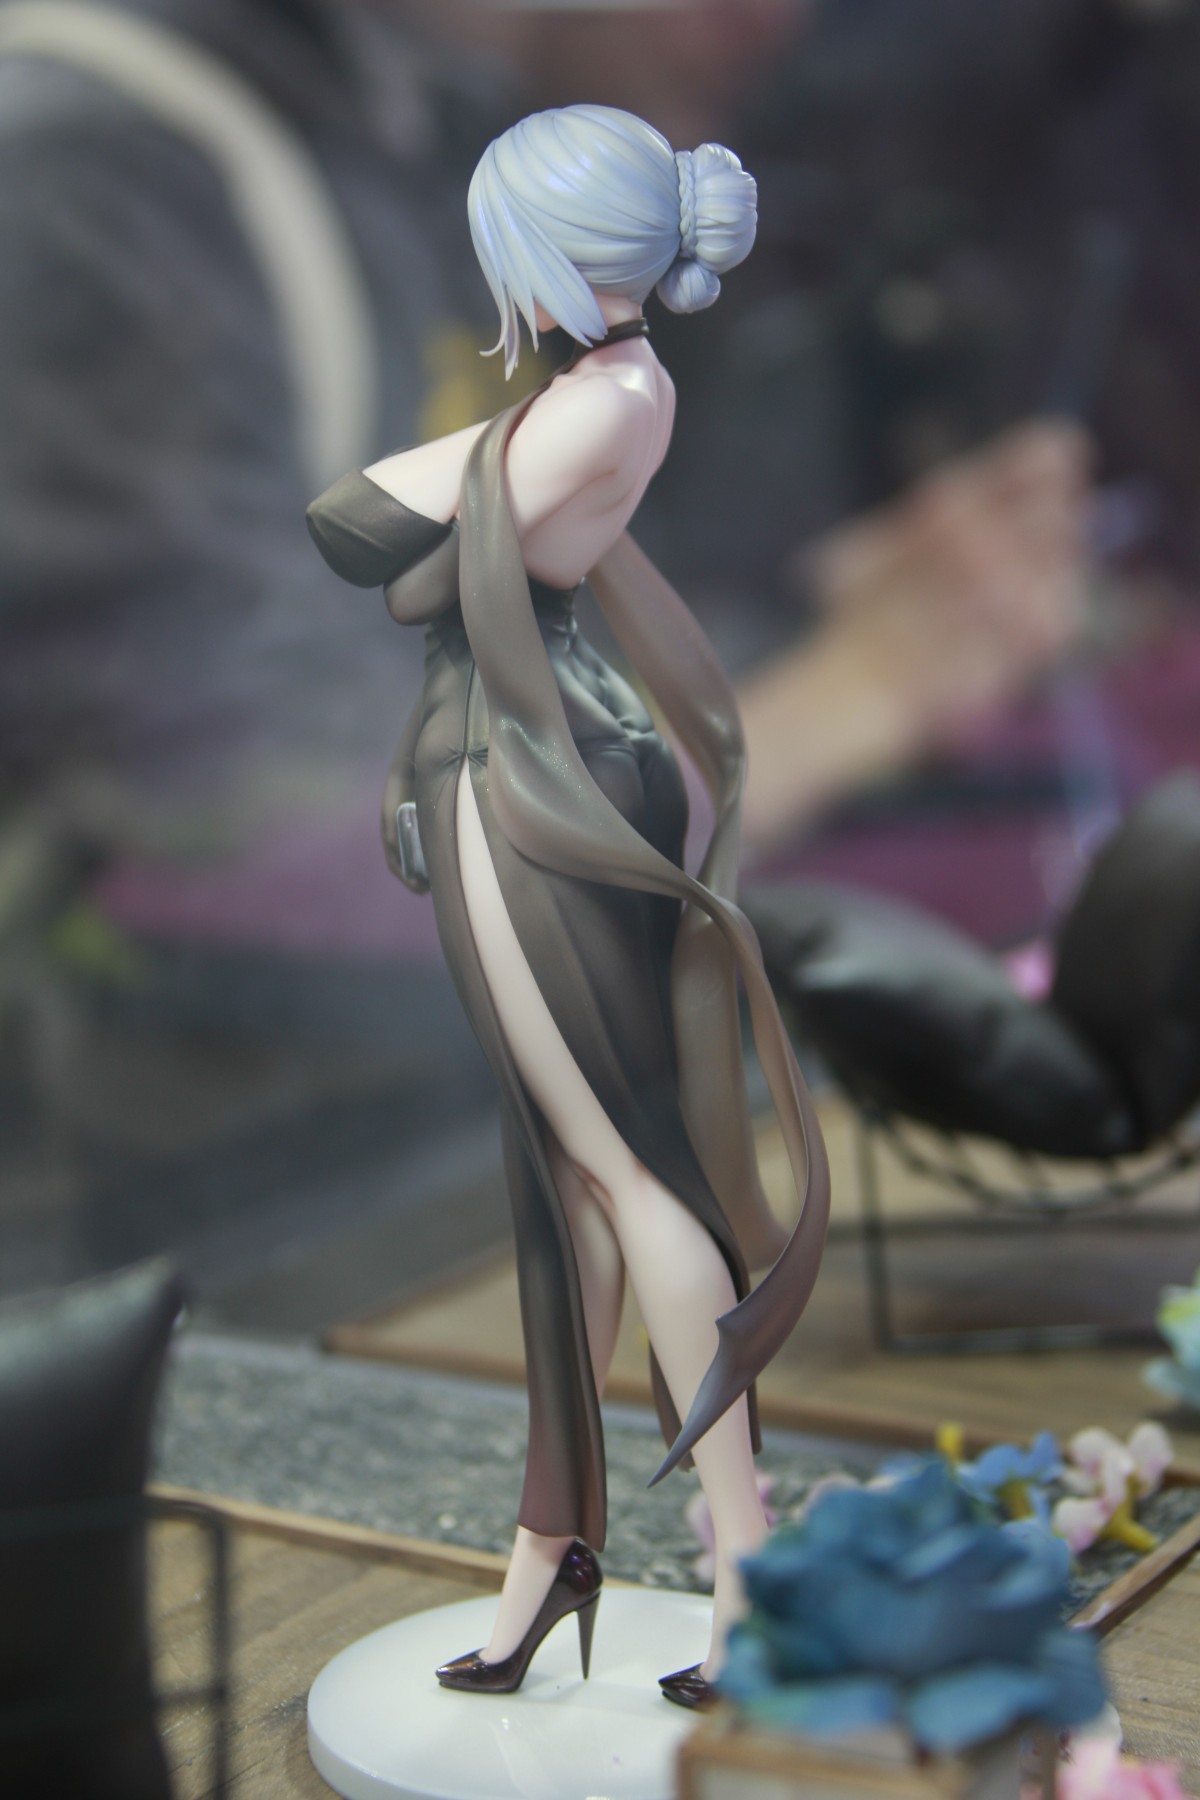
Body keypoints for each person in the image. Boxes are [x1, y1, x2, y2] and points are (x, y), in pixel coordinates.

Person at [307, 103, 830, 1704]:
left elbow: (361, 533)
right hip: (538, 753)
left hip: (535, 775)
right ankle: (553, 1546)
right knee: (571, 1177)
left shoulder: (598, 405)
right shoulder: (608, 393)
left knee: (630, 1171)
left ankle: (749, 1569)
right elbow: (430, 566)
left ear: (539, 251)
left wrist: (471, 468)